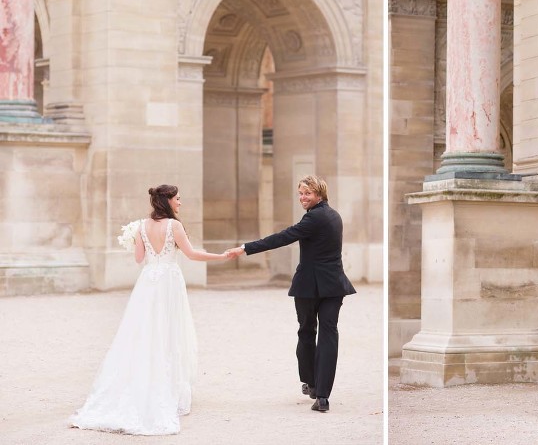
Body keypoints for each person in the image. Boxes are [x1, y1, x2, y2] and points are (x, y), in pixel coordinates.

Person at [70, 185, 229, 435]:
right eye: (178, 199)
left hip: (147, 282)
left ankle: (143, 383)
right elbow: (191, 254)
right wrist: (221, 257)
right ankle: (167, 390)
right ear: (167, 201)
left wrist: (135, 239)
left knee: (143, 331)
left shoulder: (141, 226)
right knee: (169, 331)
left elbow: (138, 258)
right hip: (168, 282)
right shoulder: (174, 226)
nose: (181, 203)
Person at [228, 175, 356, 412]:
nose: (302, 198)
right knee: (329, 335)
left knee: (307, 331)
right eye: (300, 193)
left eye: (307, 193)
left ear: (319, 194)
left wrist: (245, 248)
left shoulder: (314, 218)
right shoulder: (334, 216)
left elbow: (283, 237)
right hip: (335, 285)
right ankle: (322, 395)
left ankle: (313, 384)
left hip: (310, 286)